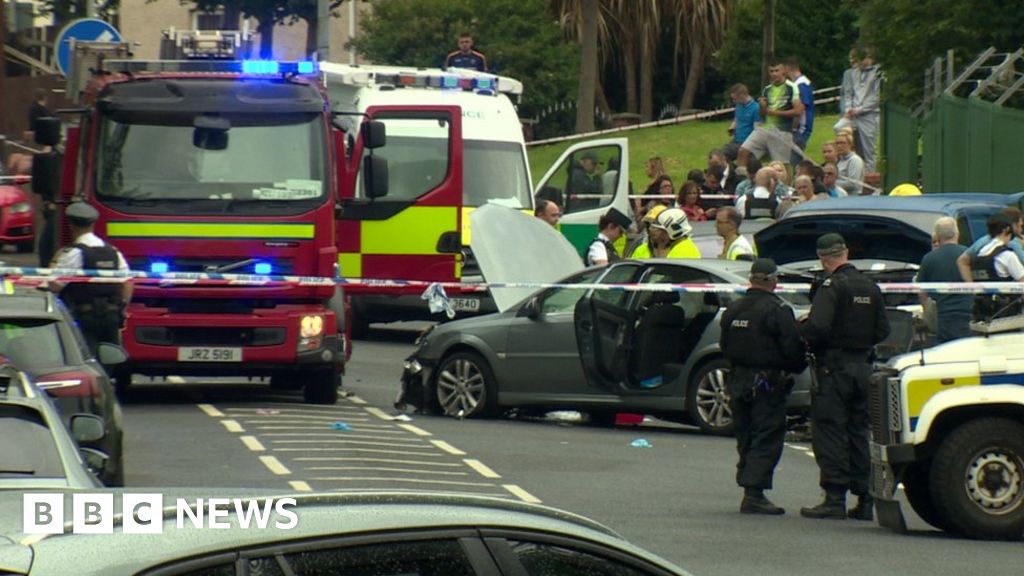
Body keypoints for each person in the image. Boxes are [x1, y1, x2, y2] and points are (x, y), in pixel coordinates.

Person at [799, 233, 890, 521]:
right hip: (863, 367)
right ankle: (864, 499)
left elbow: (819, 327)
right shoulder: (870, 286)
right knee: (858, 432)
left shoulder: (832, 286)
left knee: (830, 430)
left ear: (823, 259)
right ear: (846, 252)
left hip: (834, 368)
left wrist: (805, 335)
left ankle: (834, 497)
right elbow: (883, 330)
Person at [720, 258, 807, 514]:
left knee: (745, 434)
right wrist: (797, 366)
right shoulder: (778, 310)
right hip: (767, 383)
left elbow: (725, 347)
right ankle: (754, 492)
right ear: (773, 280)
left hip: (737, 380)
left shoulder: (733, 309)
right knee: (766, 434)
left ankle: (749, 485)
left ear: (751, 279)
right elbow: (792, 348)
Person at [50, 202, 132, 356]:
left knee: (87, 357)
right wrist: (122, 307)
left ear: (71, 226)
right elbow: (127, 284)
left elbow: (55, 285)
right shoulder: (113, 252)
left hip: (84, 317)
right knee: (111, 357)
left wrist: (54, 262)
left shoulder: (73, 253)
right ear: (93, 224)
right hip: (111, 316)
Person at [737, 60, 805, 167]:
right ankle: (742, 178)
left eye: (777, 70)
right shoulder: (767, 90)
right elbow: (763, 114)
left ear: (783, 71)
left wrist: (775, 112)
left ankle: (784, 183)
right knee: (743, 151)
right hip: (765, 128)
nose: (774, 74)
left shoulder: (792, 87)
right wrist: (762, 107)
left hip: (782, 131)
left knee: (781, 165)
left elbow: (798, 111)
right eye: (771, 71)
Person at [956, 214, 1024, 321]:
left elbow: (963, 261)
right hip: (1005, 315)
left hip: (982, 314)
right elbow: (1022, 280)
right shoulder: (1007, 255)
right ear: (1006, 229)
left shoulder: (981, 253)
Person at [917, 217, 973, 342]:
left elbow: (922, 293)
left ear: (937, 235)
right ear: (957, 232)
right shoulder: (968, 254)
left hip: (942, 316)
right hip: (968, 314)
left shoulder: (929, 259)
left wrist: (928, 314)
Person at [837, 46, 882, 172]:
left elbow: (876, 97)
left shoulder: (878, 73)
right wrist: (848, 110)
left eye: (857, 59)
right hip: (852, 114)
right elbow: (848, 93)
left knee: (869, 148)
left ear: (869, 58)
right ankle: (846, 167)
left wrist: (860, 109)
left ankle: (869, 174)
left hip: (869, 114)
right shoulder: (852, 73)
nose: (854, 62)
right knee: (839, 129)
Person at [785, 57, 815, 165]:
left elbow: (800, 109)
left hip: (800, 129)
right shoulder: (800, 83)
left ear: (787, 68)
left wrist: (793, 128)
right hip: (798, 128)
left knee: (793, 161)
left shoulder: (801, 85)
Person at [724, 84, 760, 161]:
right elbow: (737, 119)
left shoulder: (756, 108)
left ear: (742, 96)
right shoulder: (739, 105)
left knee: (723, 154)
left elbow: (757, 130)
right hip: (736, 140)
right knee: (719, 155)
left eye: (735, 99)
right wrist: (732, 128)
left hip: (746, 142)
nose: (734, 101)